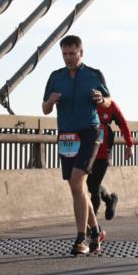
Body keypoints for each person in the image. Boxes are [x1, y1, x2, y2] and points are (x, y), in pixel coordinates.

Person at [42, 35, 112, 256]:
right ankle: (97, 231)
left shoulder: (94, 75)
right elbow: (45, 109)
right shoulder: (56, 77)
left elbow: (109, 100)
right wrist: (51, 101)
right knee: (77, 187)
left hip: (89, 133)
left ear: (81, 53)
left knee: (77, 180)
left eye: (72, 54)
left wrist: (101, 100)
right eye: (65, 54)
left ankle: (81, 239)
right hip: (66, 136)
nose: (69, 58)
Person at [89, 98, 134, 226]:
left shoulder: (110, 104)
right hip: (87, 151)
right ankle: (110, 200)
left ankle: (93, 226)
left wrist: (129, 144)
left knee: (94, 187)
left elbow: (123, 123)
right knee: (90, 185)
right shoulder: (84, 101)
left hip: (103, 153)